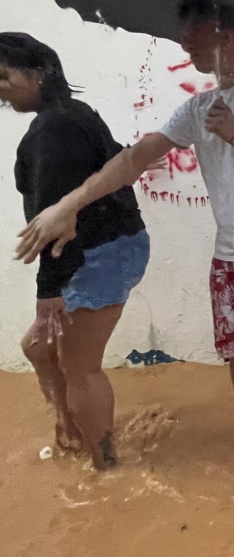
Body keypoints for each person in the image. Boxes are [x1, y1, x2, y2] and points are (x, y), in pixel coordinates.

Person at [16, 0, 234, 443]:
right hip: (227, 255)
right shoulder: (196, 108)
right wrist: (67, 205)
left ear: (224, 33)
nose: (183, 41)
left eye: (192, 31)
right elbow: (135, 159)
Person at [1, 33, 150, 470]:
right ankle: (71, 429)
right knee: (37, 347)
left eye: (5, 77)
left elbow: (52, 222)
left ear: (41, 72)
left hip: (99, 254)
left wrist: (48, 290)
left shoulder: (55, 127)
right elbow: (114, 160)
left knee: (80, 366)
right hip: (110, 246)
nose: (1, 89)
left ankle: (106, 467)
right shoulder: (73, 115)